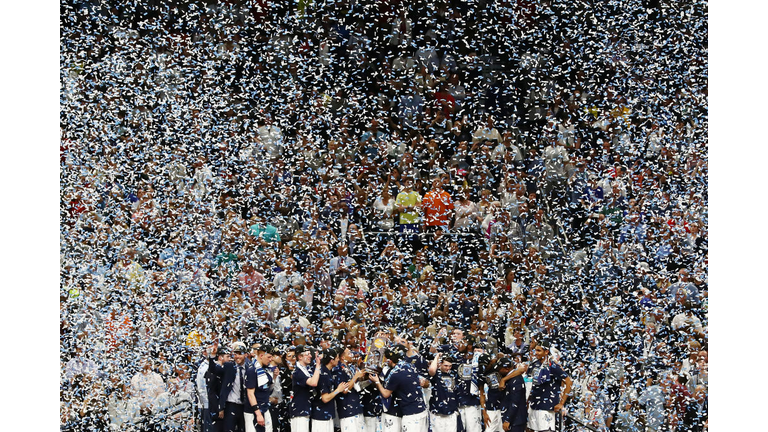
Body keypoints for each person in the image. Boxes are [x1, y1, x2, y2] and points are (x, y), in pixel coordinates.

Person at [370, 345, 429, 432]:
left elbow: (386, 394)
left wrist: (377, 381)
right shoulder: (410, 366)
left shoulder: (395, 373)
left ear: (390, 360)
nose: (385, 361)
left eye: (386, 359)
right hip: (421, 411)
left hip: (410, 415)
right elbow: (425, 382)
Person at [526, 342, 572, 432]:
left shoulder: (553, 366)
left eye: (539, 350)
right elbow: (529, 383)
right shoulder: (533, 364)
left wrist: (561, 403)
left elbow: (569, 381)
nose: (536, 353)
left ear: (546, 352)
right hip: (533, 405)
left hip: (547, 408)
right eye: (535, 350)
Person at [311, 348, 349, 432]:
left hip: (327, 415)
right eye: (337, 358)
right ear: (332, 360)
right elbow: (325, 398)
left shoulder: (328, 372)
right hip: (321, 416)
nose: (338, 360)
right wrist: (338, 390)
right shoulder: (323, 375)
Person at [246, 344, 278, 432]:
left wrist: (274, 377)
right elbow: (250, 393)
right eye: (269, 357)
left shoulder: (266, 370)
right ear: (261, 356)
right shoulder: (252, 370)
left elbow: (268, 390)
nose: (271, 359)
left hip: (265, 408)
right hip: (254, 412)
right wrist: (258, 413)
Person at [334, 347, 368, 432]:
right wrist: (356, 377)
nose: (352, 355)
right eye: (349, 354)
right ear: (342, 357)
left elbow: (356, 385)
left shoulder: (351, 367)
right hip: (347, 411)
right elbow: (344, 390)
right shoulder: (338, 370)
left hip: (357, 407)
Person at [291, 346, 322, 432]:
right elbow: (313, 382)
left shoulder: (306, 369)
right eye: (307, 354)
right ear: (300, 357)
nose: (310, 356)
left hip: (306, 409)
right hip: (299, 411)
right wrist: (318, 365)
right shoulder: (297, 372)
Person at [427, 352, 459, 432]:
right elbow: (431, 370)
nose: (448, 368)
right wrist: (437, 357)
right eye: (445, 365)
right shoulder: (436, 375)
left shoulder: (453, 374)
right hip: (437, 412)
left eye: (450, 366)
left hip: (451, 411)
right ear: (440, 364)